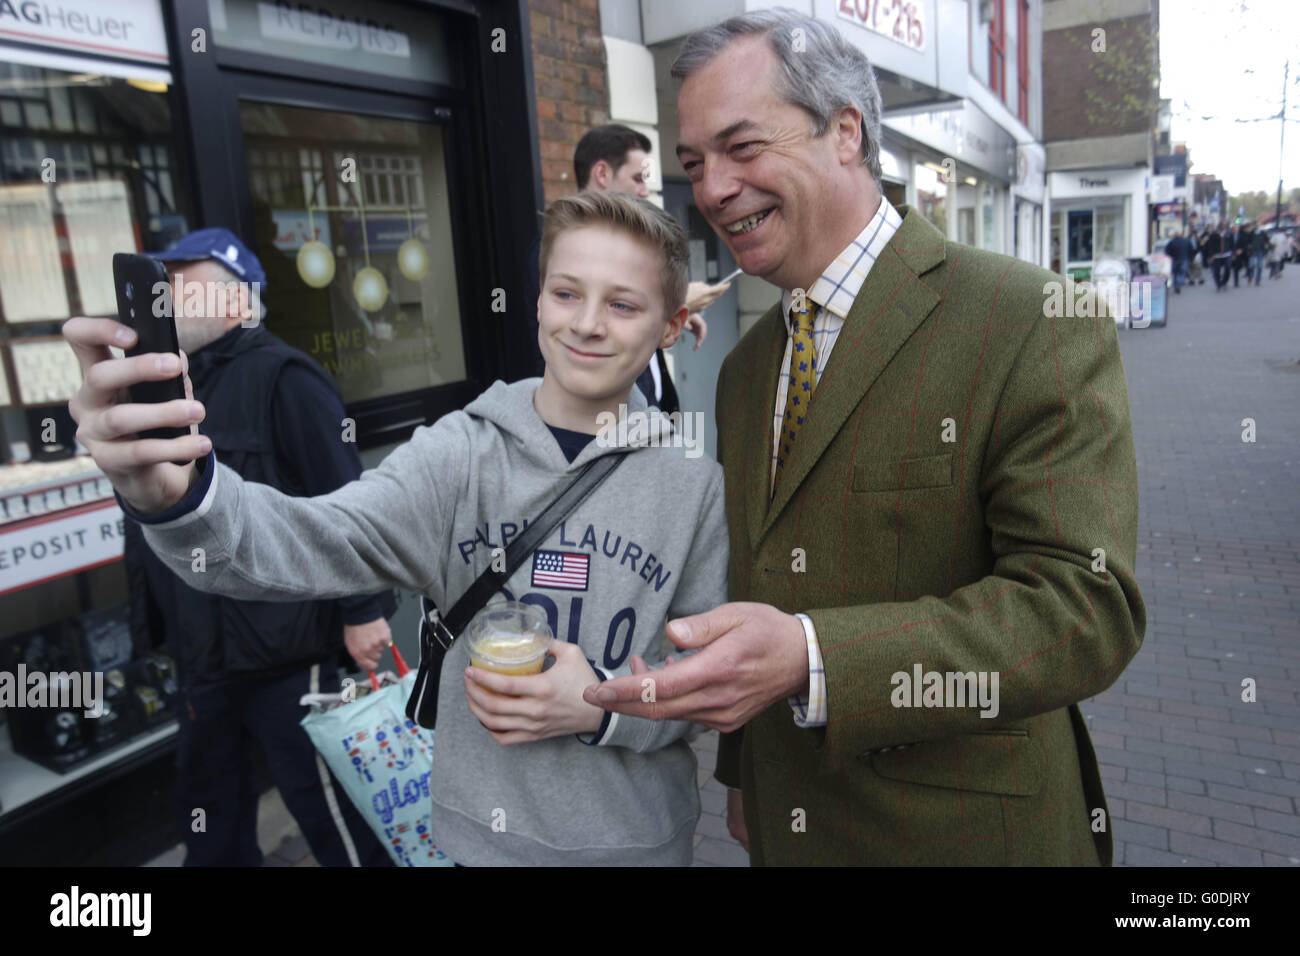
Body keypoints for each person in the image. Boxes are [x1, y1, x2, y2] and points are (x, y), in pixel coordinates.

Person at [583, 9, 1145, 866]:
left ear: (845, 132)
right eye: (693, 164)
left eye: (742, 148)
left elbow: (1083, 609)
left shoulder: (1028, 318)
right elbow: (757, 582)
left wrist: (814, 660)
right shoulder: (744, 369)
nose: (713, 190)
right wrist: (743, 774)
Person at [64, 193, 728, 866]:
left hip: (638, 846)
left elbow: (708, 680)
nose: (586, 324)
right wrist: (176, 496)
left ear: (670, 326)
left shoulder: (692, 483)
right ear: (536, 303)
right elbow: (312, 539)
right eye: (565, 293)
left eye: (622, 304)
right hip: (482, 845)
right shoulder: (459, 455)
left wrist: (603, 706)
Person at [103, 229, 395, 867]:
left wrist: (363, 610)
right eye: (163, 283)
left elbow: (345, 502)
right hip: (203, 665)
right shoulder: (167, 389)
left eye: (184, 281)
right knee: (210, 828)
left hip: (289, 657)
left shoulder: (285, 377)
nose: (168, 298)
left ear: (239, 300)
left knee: (331, 819)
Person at [524, 124, 732, 414]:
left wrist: (662, 316)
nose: (645, 190)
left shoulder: (635, 252)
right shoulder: (552, 253)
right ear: (602, 174)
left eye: (624, 304)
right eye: (638, 178)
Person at [1205, 224, 1231, 291]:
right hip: (1216, 255)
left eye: (1224, 226)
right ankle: (1218, 284)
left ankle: (1224, 282)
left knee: (1228, 268)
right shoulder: (1213, 234)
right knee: (1217, 271)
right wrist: (1211, 256)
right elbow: (1210, 245)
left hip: (1226, 254)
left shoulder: (1228, 233)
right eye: (1221, 226)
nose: (1223, 227)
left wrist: (1233, 253)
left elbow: (1232, 243)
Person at [1165, 228, 1192, 293]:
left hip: (1174, 259)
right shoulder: (1186, 241)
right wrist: (1190, 257)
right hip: (1184, 259)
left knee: (1175, 273)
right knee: (1182, 272)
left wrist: (1170, 257)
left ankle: (1176, 284)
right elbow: (1191, 250)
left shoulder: (1172, 242)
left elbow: (1167, 251)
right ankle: (1179, 284)